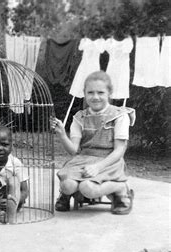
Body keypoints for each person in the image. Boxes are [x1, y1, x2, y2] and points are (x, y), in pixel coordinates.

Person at [50, 71, 136, 214]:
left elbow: (119, 150)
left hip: (109, 161)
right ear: (84, 93)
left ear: (110, 93)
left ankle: (120, 188)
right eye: (90, 92)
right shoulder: (80, 117)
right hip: (83, 159)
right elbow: (73, 150)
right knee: (67, 185)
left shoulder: (119, 115)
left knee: (88, 188)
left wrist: (98, 167)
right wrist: (62, 134)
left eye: (100, 92)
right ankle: (69, 193)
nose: (95, 97)